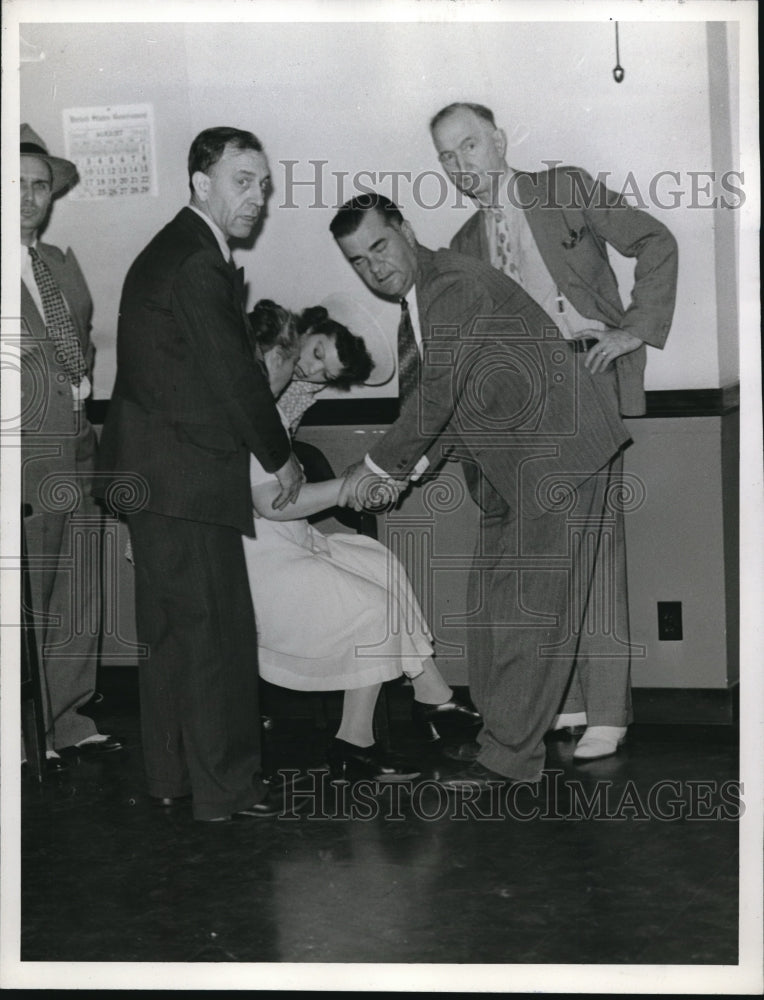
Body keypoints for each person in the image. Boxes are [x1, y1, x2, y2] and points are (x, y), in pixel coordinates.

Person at [331, 193, 632, 789]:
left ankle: (509, 759)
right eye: (359, 261)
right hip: (511, 469)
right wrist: (407, 474)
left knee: (530, 619)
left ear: (406, 230)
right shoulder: (423, 299)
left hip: (557, 462)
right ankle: (502, 740)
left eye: (380, 247)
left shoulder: (451, 286)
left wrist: (379, 468)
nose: (375, 267)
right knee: (493, 615)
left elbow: (437, 393)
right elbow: (447, 398)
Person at [429, 102, 678, 760]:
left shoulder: (562, 190)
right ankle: (562, 702)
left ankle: (608, 712)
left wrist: (633, 328)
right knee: (543, 560)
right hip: (518, 412)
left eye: (470, 146)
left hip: (584, 382)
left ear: (501, 141)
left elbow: (656, 241)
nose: (461, 165)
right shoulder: (461, 247)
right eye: (447, 157)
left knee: (594, 553)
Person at [96, 127, 304, 822]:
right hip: (185, 478)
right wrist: (282, 456)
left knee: (169, 637)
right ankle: (227, 789)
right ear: (199, 182)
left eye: (264, 185)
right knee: (216, 634)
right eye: (242, 181)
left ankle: (172, 776)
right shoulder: (196, 261)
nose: (257, 198)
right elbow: (235, 377)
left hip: (150, 474)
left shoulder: (173, 252)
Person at [243, 299, 480, 781]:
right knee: (369, 607)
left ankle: (431, 698)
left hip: (291, 538)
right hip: (253, 555)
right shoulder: (246, 406)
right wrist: (350, 485)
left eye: (321, 371)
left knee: (378, 561)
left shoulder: (283, 396)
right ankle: (361, 741)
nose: (306, 372)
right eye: (307, 354)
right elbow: (269, 501)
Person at [19, 124, 123, 770]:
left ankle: (67, 720)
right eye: (17, 186)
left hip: (80, 441)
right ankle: (24, 735)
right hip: (24, 455)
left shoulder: (58, 263)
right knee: (26, 601)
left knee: (78, 589)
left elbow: (79, 347)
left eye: (40, 186)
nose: (31, 197)